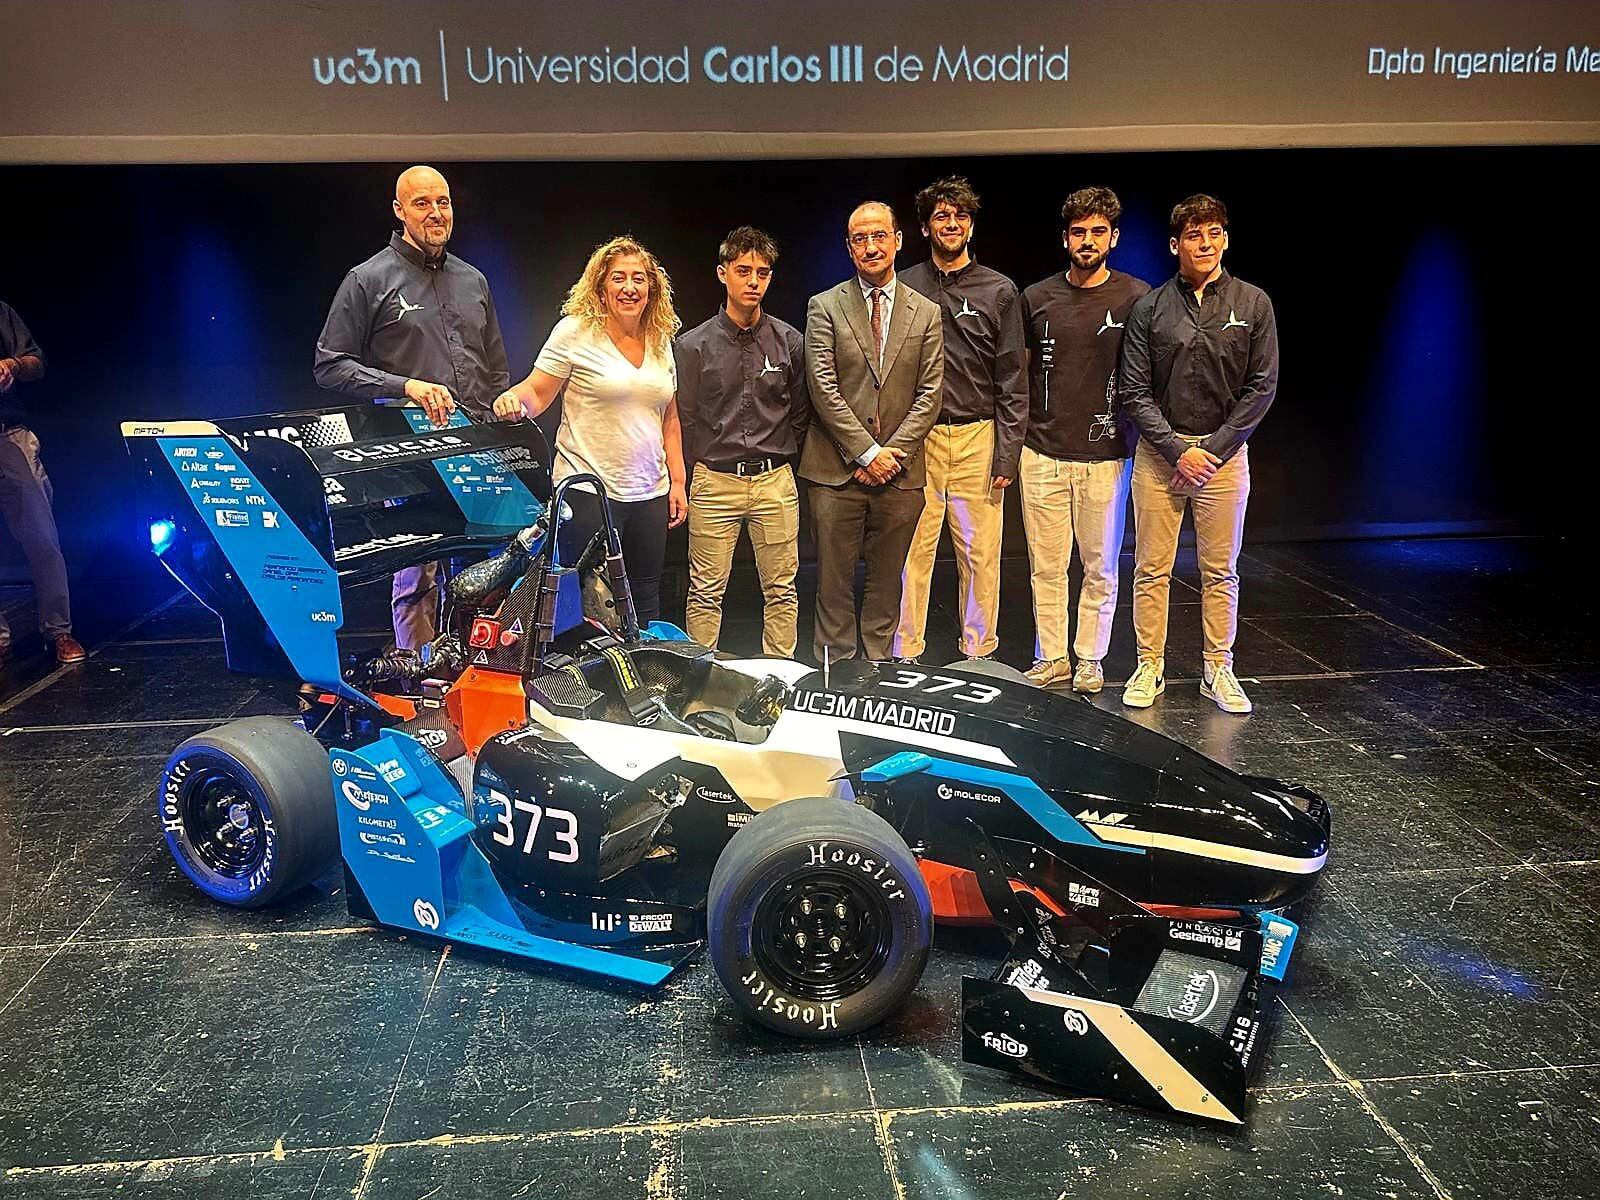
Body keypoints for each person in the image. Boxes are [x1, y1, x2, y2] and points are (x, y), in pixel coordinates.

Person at [314, 165, 511, 649]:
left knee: (487, 577)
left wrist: (500, 423)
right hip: (407, 455)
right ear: (400, 211)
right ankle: (420, 682)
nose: (435, 213)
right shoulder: (368, 279)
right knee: (417, 581)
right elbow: (330, 365)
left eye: (443, 202)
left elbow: (495, 369)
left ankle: (477, 677)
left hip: (474, 451)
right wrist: (406, 386)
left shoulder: (473, 280)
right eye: (422, 203)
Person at [1118, 194, 1279, 714]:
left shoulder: (1254, 303)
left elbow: (1262, 387)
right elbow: (1133, 390)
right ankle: (1150, 665)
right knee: (1150, 569)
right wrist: (1175, 451)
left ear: (1225, 239)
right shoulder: (1150, 307)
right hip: (1160, 457)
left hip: (1224, 458)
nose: (1204, 243)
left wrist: (1211, 451)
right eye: (1193, 235)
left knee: (1221, 570)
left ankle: (1219, 669)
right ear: (1175, 244)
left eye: (1213, 233)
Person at [494, 236, 685, 624]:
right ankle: (574, 683)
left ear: (652, 288)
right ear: (601, 287)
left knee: (645, 592)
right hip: (587, 492)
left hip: (650, 491)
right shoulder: (575, 331)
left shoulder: (660, 339)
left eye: (638, 279)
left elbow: (670, 418)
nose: (629, 287)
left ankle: (647, 677)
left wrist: (678, 482)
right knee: (580, 596)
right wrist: (513, 400)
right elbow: (537, 392)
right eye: (618, 278)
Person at [1019, 187, 1150, 692]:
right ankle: (1051, 656)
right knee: (1046, 566)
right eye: (1079, 232)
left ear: (1113, 237)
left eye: (1098, 232)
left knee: (1100, 566)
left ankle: (1090, 657)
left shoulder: (1137, 297)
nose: (1088, 240)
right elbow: (1020, 373)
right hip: (1043, 451)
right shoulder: (1036, 298)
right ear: (1065, 238)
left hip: (1106, 455)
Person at [801, 201, 943, 664]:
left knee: (887, 584)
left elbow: (930, 394)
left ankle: (879, 669)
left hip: (900, 476)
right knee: (832, 585)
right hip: (836, 473)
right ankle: (834, 676)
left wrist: (891, 454)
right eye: (860, 238)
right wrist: (866, 453)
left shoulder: (925, 312)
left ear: (898, 240)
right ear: (849, 247)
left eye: (879, 236)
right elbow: (822, 388)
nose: (870, 246)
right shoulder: (824, 306)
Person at [894, 177, 1026, 664]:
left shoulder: (999, 290)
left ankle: (978, 654)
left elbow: (1013, 374)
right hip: (918, 438)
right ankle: (904, 653)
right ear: (926, 228)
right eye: (941, 217)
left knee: (981, 554)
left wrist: (1008, 450)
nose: (952, 224)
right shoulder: (905, 285)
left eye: (960, 217)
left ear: (971, 225)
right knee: (912, 553)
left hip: (978, 434)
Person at [674, 227, 810, 656]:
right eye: (744, 271)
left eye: (763, 273)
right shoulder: (693, 346)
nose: (753, 281)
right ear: (723, 273)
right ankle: (698, 681)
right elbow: (685, 417)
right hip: (715, 482)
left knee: (782, 590)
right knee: (705, 592)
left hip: (774, 482)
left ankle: (780, 679)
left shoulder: (789, 341)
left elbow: (802, 413)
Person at [0, 300, 84, 665]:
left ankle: (58, 630)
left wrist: (11, 365)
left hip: (8, 435)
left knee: (42, 537)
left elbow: (35, 362)